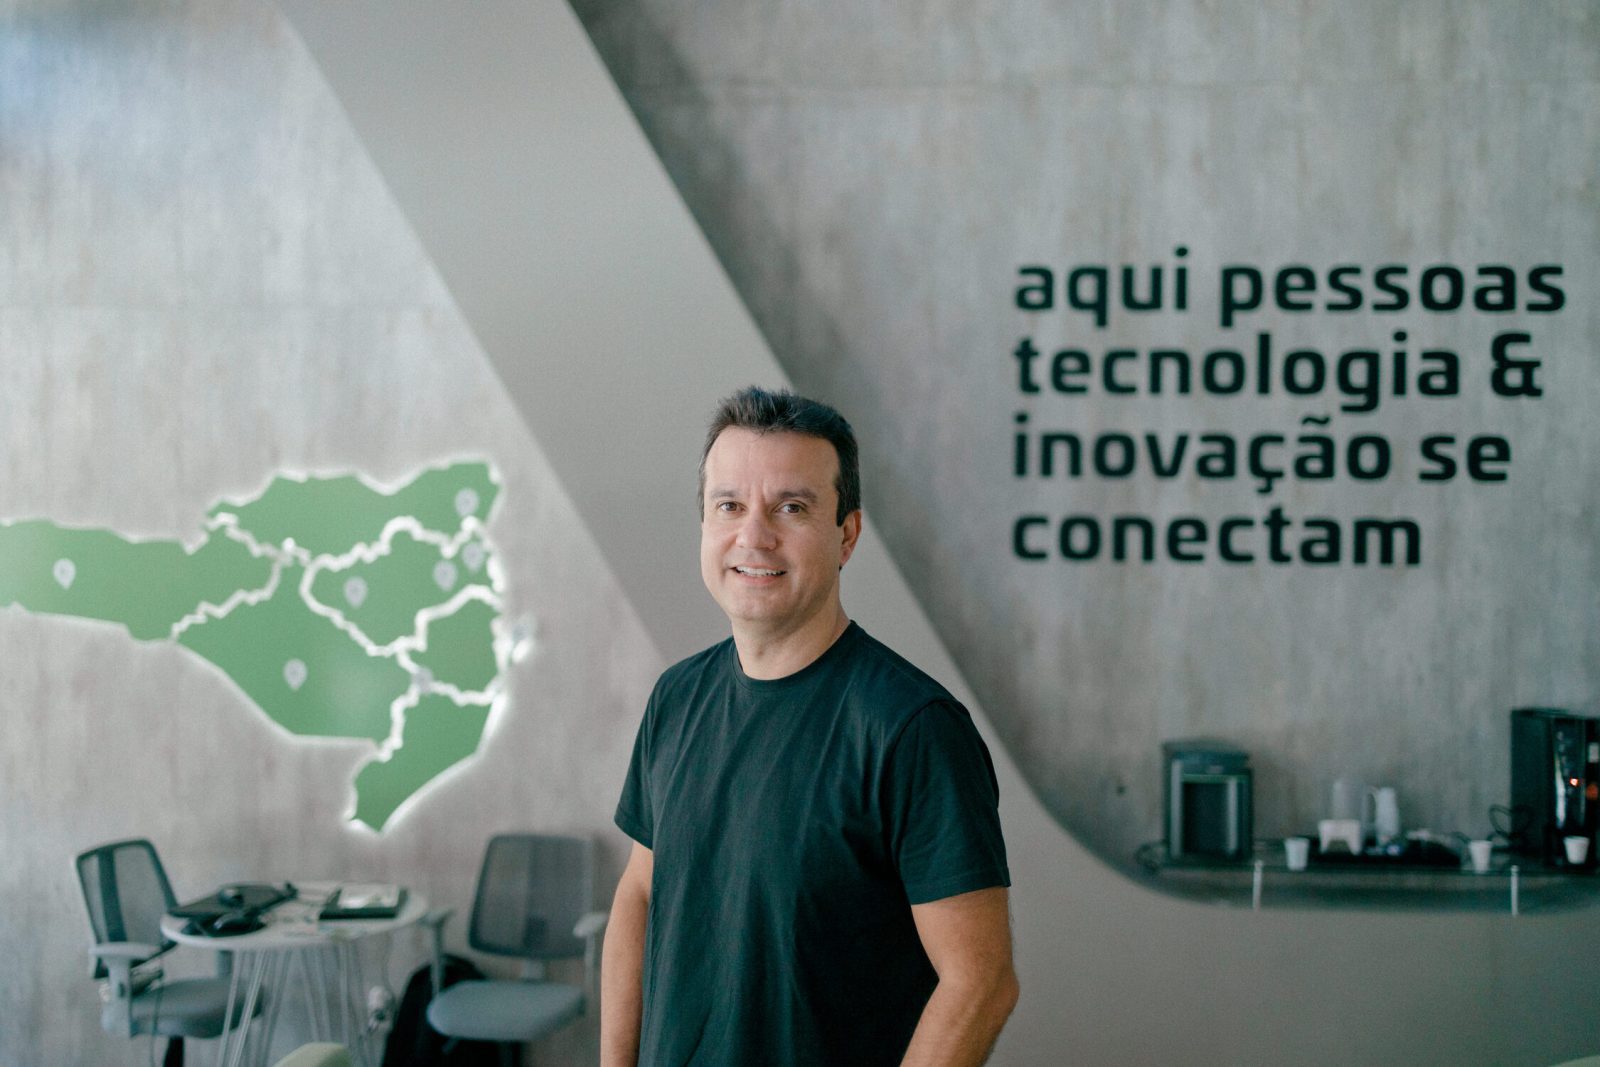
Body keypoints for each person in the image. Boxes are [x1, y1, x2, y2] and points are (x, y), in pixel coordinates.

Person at [601, 386, 1018, 1067]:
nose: (753, 535)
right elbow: (640, 892)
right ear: (704, 523)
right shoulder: (676, 698)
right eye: (729, 506)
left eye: (791, 507)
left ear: (846, 534)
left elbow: (981, 983)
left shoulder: (912, 729)